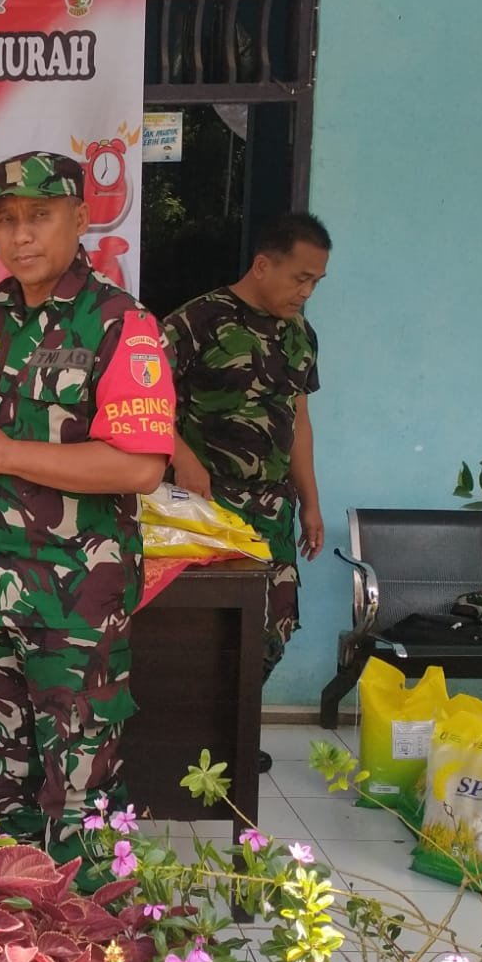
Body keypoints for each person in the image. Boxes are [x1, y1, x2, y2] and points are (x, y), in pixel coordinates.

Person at [0, 151, 174, 864]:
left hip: (77, 598)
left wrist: (4, 455)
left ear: (81, 219)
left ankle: (88, 930)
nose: (21, 235)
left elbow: (142, 467)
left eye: (40, 216)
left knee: (81, 785)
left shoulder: (121, 324)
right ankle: (9, 924)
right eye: (5, 220)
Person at [162, 212, 331, 714]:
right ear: (262, 265)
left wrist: (310, 503)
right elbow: (142, 403)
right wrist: (183, 457)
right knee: (197, 627)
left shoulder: (301, 335)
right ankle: (193, 737)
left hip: (272, 507)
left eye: (316, 282)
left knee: (276, 626)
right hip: (205, 505)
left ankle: (232, 733)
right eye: (300, 278)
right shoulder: (195, 321)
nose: (306, 292)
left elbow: (299, 420)